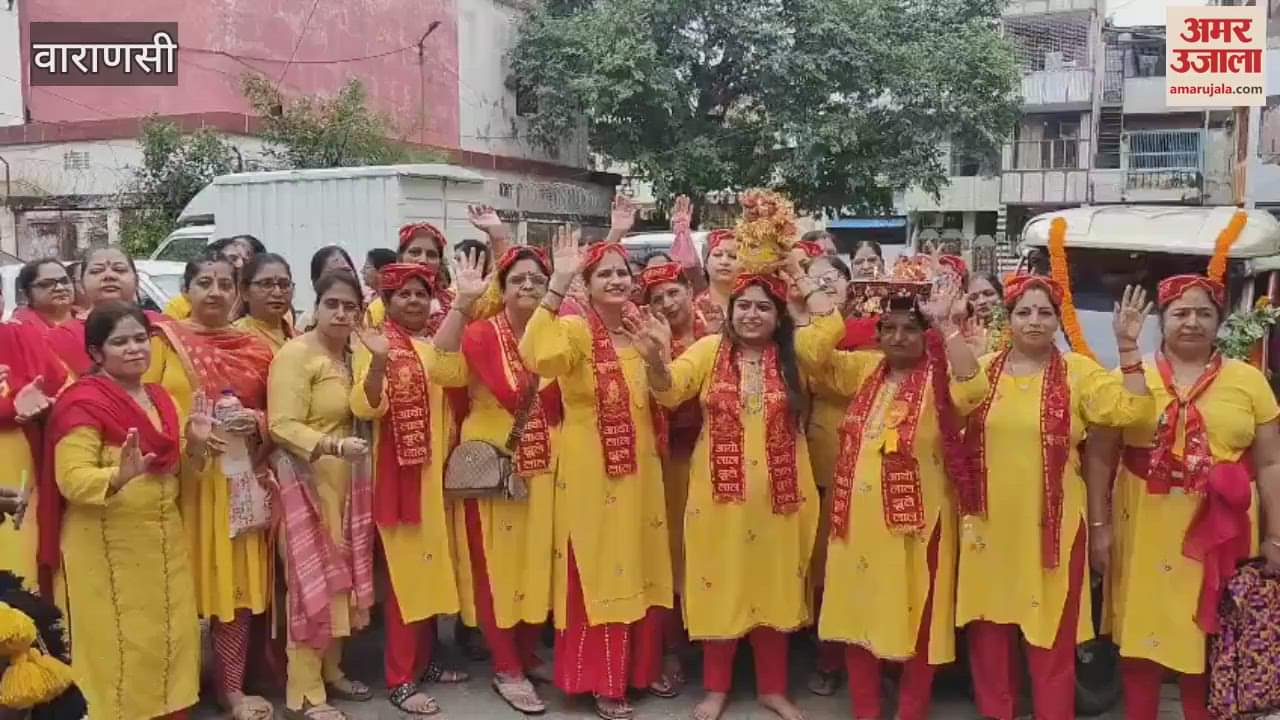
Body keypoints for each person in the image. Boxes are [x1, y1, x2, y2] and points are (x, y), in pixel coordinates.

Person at [632, 259, 831, 720]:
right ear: (731, 310)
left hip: (783, 498)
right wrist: (657, 361)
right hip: (720, 497)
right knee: (719, 582)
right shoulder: (706, 350)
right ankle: (717, 688)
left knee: (776, 584)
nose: (752, 315)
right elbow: (669, 393)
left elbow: (832, 329)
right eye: (744, 306)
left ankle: (772, 689)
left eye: (764, 307)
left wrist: (800, 274)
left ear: (779, 316)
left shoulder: (797, 353)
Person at [955, 275, 1154, 720]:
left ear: (1057, 320)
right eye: (1024, 312)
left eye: (1045, 312)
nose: (1034, 321)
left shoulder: (1079, 373)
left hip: (1054, 529)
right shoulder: (983, 369)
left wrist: (1127, 348)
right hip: (987, 527)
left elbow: (1134, 411)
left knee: (1053, 643)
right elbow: (950, 412)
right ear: (1009, 319)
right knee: (988, 642)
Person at [1086, 275, 1280, 720]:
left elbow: (1271, 464)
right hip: (1144, 523)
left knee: (1209, 641)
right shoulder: (1130, 376)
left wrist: (1275, 536)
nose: (1192, 322)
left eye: (1204, 313)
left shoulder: (1248, 380)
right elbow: (1100, 458)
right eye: (1180, 313)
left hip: (1221, 530)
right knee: (1141, 643)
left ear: (1220, 321)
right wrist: (1099, 528)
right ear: (1162, 319)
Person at [800, 280, 986, 720]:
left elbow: (974, 390)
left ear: (926, 337)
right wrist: (837, 310)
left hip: (916, 528)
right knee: (857, 613)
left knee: (916, 619)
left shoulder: (940, 380)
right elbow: (811, 356)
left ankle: (910, 710)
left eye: (910, 329)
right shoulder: (865, 371)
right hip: (857, 524)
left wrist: (946, 324)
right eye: (889, 329)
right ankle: (865, 709)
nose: (898, 338)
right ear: (877, 334)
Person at [519, 230, 673, 720]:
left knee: (640, 561)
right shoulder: (575, 331)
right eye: (603, 273)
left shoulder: (644, 328)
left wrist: (656, 359)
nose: (615, 280)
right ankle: (602, 682)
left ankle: (636, 672)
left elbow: (667, 396)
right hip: (591, 471)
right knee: (599, 565)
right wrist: (558, 281)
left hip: (642, 469)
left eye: (621, 273)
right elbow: (536, 356)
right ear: (586, 285)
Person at [42, 302, 210, 720]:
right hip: (103, 549)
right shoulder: (81, 402)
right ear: (96, 353)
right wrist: (118, 476)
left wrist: (199, 444)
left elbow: (182, 470)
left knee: (171, 639)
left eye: (140, 338)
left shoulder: (161, 397)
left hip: (162, 542)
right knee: (114, 650)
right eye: (120, 342)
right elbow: (73, 480)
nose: (134, 348)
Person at [143, 252, 277, 720]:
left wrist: (256, 420)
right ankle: (176, 689)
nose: (216, 291)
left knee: (234, 595)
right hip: (180, 484)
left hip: (240, 483)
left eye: (225, 283)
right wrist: (187, 437)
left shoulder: (256, 348)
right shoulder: (163, 343)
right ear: (187, 290)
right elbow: (144, 407)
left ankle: (232, 690)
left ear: (237, 293)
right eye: (204, 282)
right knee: (175, 593)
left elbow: (279, 414)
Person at [429, 247, 561, 714]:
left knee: (535, 565)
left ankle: (526, 653)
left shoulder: (558, 335)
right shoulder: (481, 334)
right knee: (494, 569)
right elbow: (440, 365)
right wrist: (462, 304)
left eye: (537, 280)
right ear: (501, 290)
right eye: (518, 280)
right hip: (491, 464)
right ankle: (506, 667)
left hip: (546, 463)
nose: (527, 286)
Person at [348, 263, 466, 716]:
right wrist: (378, 361)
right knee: (406, 580)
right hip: (401, 475)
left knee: (433, 571)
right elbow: (366, 404)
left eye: (421, 293)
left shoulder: (433, 341)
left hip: (436, 474)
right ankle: (400, 678)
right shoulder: (374, 343)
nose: (414, 301)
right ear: (388, 300)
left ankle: (426, 662)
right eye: (403, 295)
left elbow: (453, 376)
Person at [268, 273, 375, 720]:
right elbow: (281, 424)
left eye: (349, 306)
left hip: (349, 482)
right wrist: (331, 446)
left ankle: (332, 670)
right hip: (307, 480)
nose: (341, 313)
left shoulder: (356, 354)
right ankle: (307, 691)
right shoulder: (296, 355)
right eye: (332, 304)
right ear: (316, 306)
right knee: (310, 586)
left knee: (342, 582)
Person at [636, 261, 708, 688]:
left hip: (712, 457)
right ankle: (672, 649)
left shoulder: (716, 335)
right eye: (657, 298)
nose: (667, 303)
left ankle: (711, 640)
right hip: (667, 462)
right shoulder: (647, 341)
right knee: (670, 553)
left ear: (688, 290)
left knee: (705, 550)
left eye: (672, 292)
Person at [0, 280, 65, 587]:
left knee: (18, 556)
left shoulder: (19, 335)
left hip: (16, 456)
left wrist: (42, 406)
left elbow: (53, 385)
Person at [237, 253, 298, 351]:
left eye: (284, 284)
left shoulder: (301, 339)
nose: (277, 293)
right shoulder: (235, 338)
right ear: (245, 291)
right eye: (266, 284)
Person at [695, 230, 738, 334]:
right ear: (705, 263)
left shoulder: (751, 306)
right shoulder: (694, 309)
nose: (724, 262)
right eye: (717, 255)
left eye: (733, 256)